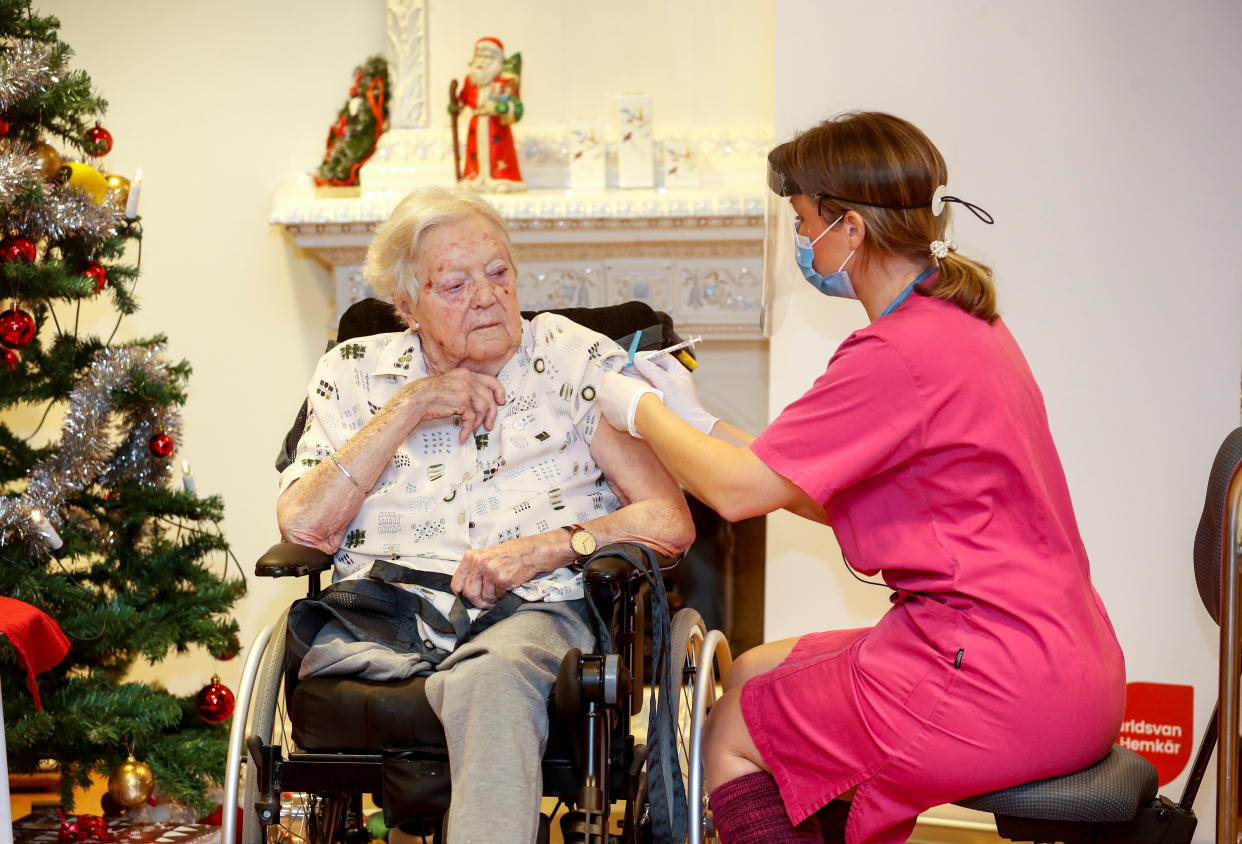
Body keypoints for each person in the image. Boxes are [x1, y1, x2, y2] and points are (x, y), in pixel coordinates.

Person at [598, 111, 1125, 844]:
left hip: (992, 679)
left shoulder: (893, 355)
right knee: (751, 672)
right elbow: (798, 480)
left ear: (850, 228)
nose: (800, 242)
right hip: (1064, 660)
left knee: (732, 729)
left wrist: (639, 408)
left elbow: (738, 494)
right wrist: (701, 420)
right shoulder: (963, 323)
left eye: (802, 220)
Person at [276, 185, 693, 844]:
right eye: (454, 285)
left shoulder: (564, 359)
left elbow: (669, 521)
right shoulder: (353, 373)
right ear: (406, 306)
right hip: (383, 617)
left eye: (499, 273)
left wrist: (555, 544)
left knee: (492, 677)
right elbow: (305, 527)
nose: (487, 296)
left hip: (530, 612)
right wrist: (409, 407)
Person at [453, 36, 526, 192]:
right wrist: (455, 106)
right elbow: (464, 99)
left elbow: (515, 105)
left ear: (497, 60)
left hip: (496, 126)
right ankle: (475, 178)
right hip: (477, 123)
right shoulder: (470, 81)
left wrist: (502, 108)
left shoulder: (505, 82)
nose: (482, 61)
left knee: (497, 152)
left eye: (488, 57)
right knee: (475, 153)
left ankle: (501, 178)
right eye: (479, 56)